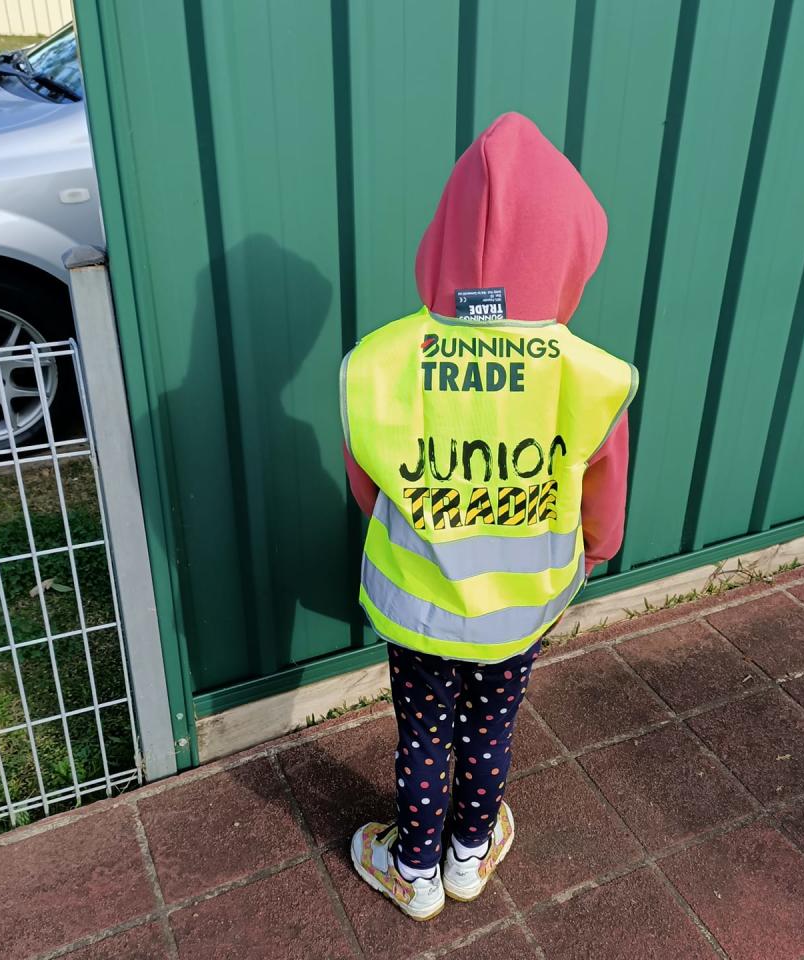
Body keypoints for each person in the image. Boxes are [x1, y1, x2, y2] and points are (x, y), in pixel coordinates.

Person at [339, 112, 638, 921]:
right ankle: (469, 857)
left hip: (418, 599)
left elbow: (369, 487)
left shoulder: (380, 360)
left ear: (440, 240)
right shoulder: (587, 375)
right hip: (519, 604)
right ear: (572, 248)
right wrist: (601, 545)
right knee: (491, 726)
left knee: (424, 730)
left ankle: (414, 870)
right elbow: (601, 500)